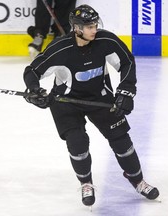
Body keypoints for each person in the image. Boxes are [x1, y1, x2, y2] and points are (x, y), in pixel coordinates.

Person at [23, 4, 160, 207]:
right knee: (77, 143)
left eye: (95, 25)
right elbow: (32, 71)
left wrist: (126, 91)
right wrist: (35, 91)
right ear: (77, 28)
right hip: (66, 103)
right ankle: (86, 183)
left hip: (100, 98)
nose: (94, 30)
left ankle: (138, 181)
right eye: (89, 27)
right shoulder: (60, 49)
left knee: (122, 140)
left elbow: (127, 62)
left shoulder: (105, 41)